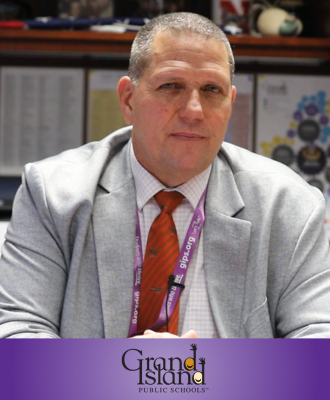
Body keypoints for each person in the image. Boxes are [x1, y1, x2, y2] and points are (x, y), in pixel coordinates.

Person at [1, 12, 330, 339]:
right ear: (129, 99)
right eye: (171, 86)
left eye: (212, 90)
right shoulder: (52, 193)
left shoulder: (290, 207)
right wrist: (136, 372)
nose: (193, 110)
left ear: (230, 102)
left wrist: (196, 374)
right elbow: (16, 341)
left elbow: (318, 353)